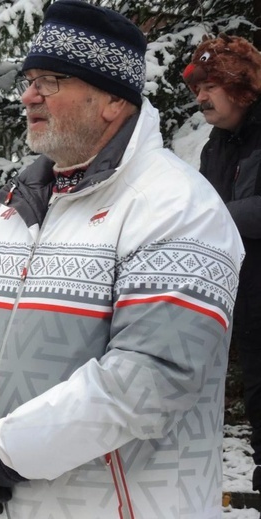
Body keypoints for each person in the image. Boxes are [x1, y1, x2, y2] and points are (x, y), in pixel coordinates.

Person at [0, 1, 244, 518]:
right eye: (29, 79)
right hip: (20, 501)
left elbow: (150, 378)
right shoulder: (23, 205)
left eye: (50, 80)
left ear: (112, 99)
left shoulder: (177, 207)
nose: (28, 95)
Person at [183, 33, 261, 491]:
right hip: (246, 306)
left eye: (211, 84)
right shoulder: (216, 145)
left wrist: (212, 216)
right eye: (197, 86)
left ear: (242, 85)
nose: (201, 96)